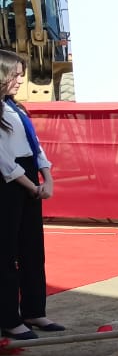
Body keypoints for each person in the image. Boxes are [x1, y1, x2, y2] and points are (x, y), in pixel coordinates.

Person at [0, 49, 62, 338]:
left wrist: (47, 177)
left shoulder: (17, 108)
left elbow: (35, 145)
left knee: (33, 250)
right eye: (15, 75)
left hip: (29, 177)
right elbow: (4, 160)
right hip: (9, 184)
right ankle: (9, 318)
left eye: (21, 75)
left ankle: (35, 311)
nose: (20, 80)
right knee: (7, 253)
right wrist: (31, 185)